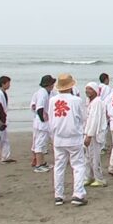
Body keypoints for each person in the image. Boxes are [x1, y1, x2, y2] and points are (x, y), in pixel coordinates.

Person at [47, 74, 88, 206]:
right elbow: (82, 118)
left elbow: (50, 118)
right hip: (73, 137)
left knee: (59, 166)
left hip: (58, 137)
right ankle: (78, 194)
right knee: (78, 166)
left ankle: (58, 195)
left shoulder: (53, 100)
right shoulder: (76, 100)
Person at [83, 83, 108, 188]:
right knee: (87, 157)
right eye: (86, 89)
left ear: (95, 91)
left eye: (90, 89)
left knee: (95, 157)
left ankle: (99, 178)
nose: (88, 91)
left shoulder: (97, 102)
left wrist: (89, 135)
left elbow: (95, 120)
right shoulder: (89, 101)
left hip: (94, 134)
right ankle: (89, 176)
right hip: (87, 131)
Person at [30, 75, 55, 172]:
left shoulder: (44, 92)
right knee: (40, 143)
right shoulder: (43, 93)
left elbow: (33, 105)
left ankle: (42, 162)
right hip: (41, 123)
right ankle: (38, 165)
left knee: (42, 143)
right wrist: (43, 119)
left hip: (40, 121)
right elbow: (39, 108)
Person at [0, 76, 16, 164]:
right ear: (3, 84)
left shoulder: (3, 93)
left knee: (4, 139)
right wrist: (0, 121)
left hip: (3, 118)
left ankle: (5, 157)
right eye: (8, 83)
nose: (9, 85)